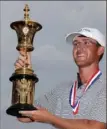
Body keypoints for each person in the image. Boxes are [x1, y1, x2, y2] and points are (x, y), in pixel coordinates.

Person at [15, 27, 106, 129]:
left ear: (100, 50)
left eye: (87, 43)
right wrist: (25, 76)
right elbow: (23, 115)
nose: (79, 47)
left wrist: (51, 119)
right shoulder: (62, 90)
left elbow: (95, 127)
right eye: (76, 43)